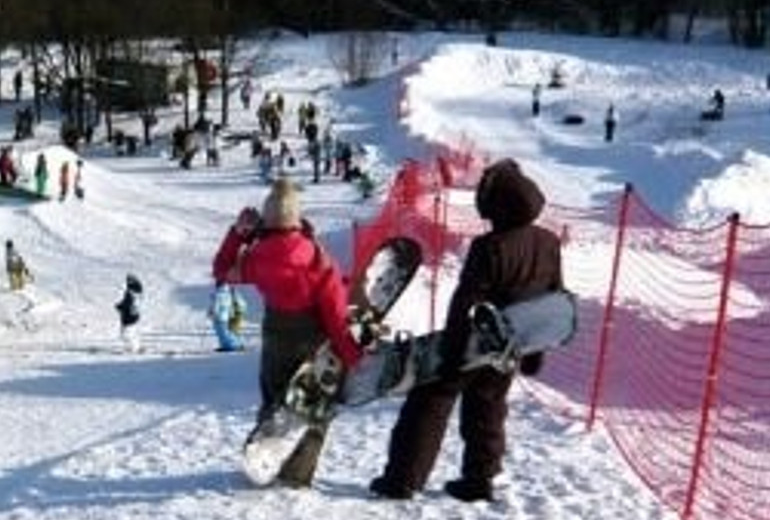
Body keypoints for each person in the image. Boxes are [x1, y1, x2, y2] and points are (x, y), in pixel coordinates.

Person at [368, 158, 565, 502]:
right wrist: (535, 350)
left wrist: (452, 352)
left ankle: (403, 478)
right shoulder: (548, 242)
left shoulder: (490, 246)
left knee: (429, 400)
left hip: (474, 342)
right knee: (488, 407)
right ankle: (480, 478)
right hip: (513, 343)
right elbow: (552, 298)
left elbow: (466, 302)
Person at [212, 177, 366, 488]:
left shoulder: (257, 255)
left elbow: (221, 270)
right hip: (312, 338)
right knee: (314, 406)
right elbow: (335, 314)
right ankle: (296, 474)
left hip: (275, 335)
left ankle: (261, 460)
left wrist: (238, 234)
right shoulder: (316, 257)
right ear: (297, 217)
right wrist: (351, 353)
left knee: (274, 401)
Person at [114, 274, 144, 353]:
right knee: (131, 332)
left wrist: (119, 307)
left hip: (128, 317)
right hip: (134, 316)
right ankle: (135, 347)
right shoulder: (138, 293)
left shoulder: (130, 293)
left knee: (126, 333)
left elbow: (127, 303)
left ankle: (133, 348)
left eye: (128, 281)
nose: (127, 283)